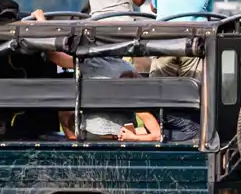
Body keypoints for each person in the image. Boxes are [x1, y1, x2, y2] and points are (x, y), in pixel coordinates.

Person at [32, 9, 199, 142]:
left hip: (97, 132)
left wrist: (41, 22)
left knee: (65, 112)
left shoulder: (92, 64)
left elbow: (55, 56)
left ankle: (74, 142)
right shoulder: (125, 68)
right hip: (122, 130)